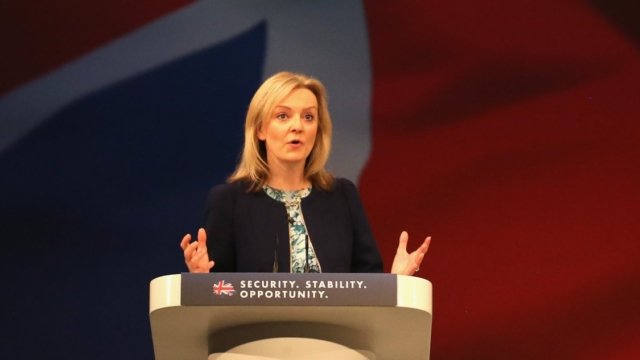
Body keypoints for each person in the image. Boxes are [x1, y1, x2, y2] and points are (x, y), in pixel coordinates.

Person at [180, 72, 430, 274]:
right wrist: (201, 280)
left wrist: (397, 282)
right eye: (282, 116)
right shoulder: (229, 200)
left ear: (318, 129)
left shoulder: (342, 195)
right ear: (260, 130)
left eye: (308, 117)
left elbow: (366, 289)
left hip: (333, 336)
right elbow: (218, 295)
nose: (297, 126)